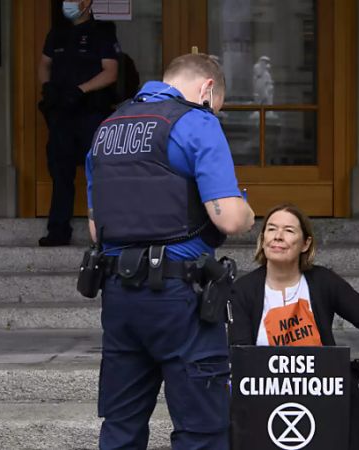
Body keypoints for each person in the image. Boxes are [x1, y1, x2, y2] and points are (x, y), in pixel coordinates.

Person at [86, 53, 255, 449]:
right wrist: (246, 209)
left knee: (122, 425)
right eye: (219, 105)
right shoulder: (197, 122)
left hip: (119, 296)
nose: (217, 111)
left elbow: (97, 226)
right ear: (207, 89)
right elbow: (229, 218)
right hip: (181, 298)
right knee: (202, 429)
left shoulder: (106, 128)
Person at [229, 203, 359, 450]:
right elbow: (239, 350)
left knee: (348, 396)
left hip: (322, 386)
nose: (278, 236)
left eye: (288, 230)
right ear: (263, 241)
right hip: (265, 389)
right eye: (271, 229)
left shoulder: (323, 282)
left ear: (305, 244)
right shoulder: (243, 290)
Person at [37, 0, 120, 246]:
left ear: (87, 3)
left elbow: (110, 71)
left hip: (90, 113)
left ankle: (107, 231)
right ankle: (58, 230)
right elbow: (44, 64)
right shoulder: (57, 33)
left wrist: (81, 90)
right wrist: (47, 88)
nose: (68, 3)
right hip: (62, 113)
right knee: (60, 172)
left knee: (100, 172)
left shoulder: (102, 32)